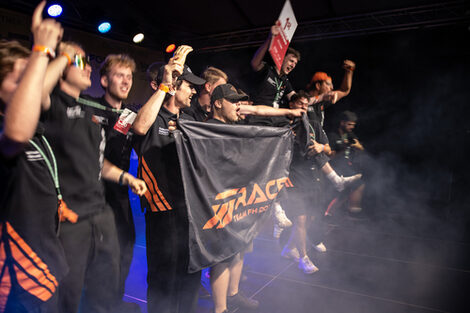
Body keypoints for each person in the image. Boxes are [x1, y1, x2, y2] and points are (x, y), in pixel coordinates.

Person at [41, 40, 146, 313]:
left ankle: (108, 306)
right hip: (71, 212)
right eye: (79, 62)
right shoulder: (65, 105)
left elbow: (96, 161)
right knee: (71, 284)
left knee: (113, 267)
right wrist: (55, 53)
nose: (125, 81)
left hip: (105, 207)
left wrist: (126, 177)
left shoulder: (101, 113)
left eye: (129, 76)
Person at [0, 2, 67, 312]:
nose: (31, 84)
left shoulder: (35, 126)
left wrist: (59, 54)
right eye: (19, 79)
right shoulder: (8, 129)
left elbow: (39, 91)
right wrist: (40, 49)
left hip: (45, 259)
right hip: (21, 274)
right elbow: (16, 132)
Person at [132, 46, 205, 313]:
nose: (194, 92)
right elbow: (139, 128)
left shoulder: (188, 118)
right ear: (174, 87)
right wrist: (165, 84)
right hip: (162, 210)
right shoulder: (152, 115)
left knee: (190, 273)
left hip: (190, 210)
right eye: (189, 86)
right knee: (164, 279)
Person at [90, 53, 141, 312]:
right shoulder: (91, 108)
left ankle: (114, 301)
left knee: (126, 247)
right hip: (95, 195)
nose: (125, 81)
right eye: (119, 75)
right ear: (103, 80)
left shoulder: (131, 114)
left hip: (120, 195)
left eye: (129, 76)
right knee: (103, 255)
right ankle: (99, 306)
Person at [326, 110, 365, 214]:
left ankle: (335, 213)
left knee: (352, 187)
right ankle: (351, 211)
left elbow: (360, 148)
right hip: (334, 167)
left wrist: (358, 146)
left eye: (353, 125)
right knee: (350, 187)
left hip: (347, 166)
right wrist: (343, 148)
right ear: (342, 122)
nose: (351, 127)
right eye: (349, 124)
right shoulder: (332, 135)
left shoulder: (350, 135)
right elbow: (329, 155)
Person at [305, 60, 356, 126]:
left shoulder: (323, 101)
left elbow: (344, 90)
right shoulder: (302, 99)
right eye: (328, 84)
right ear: (318, 86)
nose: (331, 88)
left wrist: (349, 71)